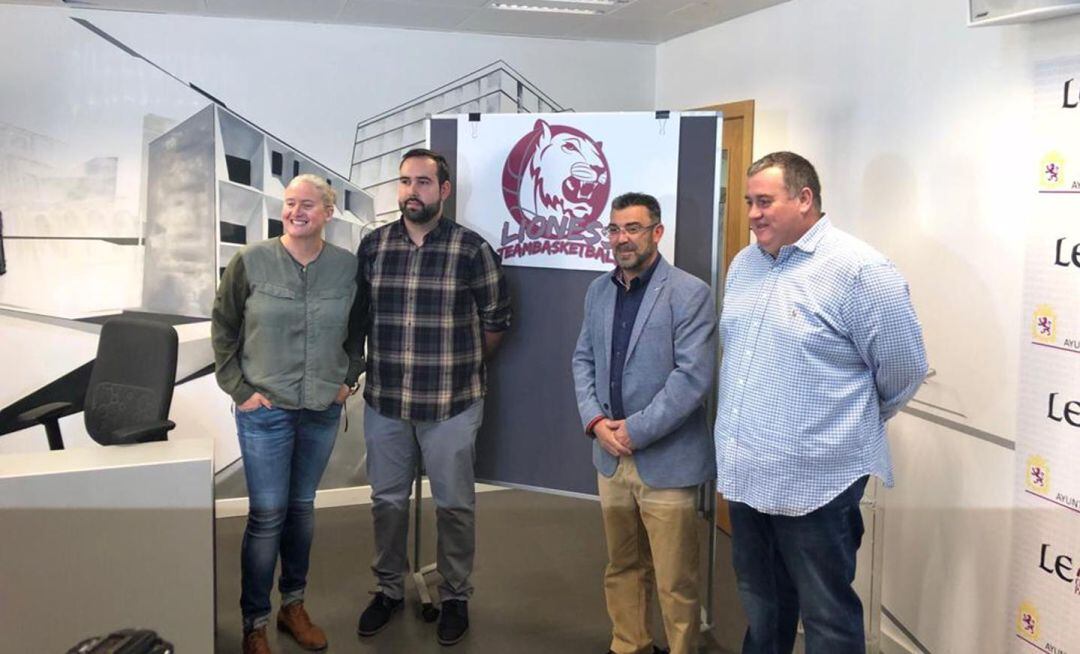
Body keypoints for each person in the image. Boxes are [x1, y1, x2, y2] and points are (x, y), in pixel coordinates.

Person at [715, 152, 927, 653]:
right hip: (747, 476)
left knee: (827, 617)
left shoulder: (859, 271)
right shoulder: (744, 266)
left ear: (804, 199)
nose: (752, 214)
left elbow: (904, 371)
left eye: (764, 201)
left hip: (817, 483)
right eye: (749, 202)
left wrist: (839, 425)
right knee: (763, 610)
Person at [353, 148, 511, 646]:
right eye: (404, 182)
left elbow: (496, 321)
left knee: (455, 507)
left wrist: (458, 366)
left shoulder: (471, 250)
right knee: (387, 503)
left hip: (452, 403)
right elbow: (359, 318)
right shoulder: (374, 247)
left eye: (423, 182)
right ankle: (388, 589)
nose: (411, 191)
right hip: (386, 403)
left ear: (443, 190)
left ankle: (456, 596)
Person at [212, 173, 364, 654]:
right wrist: (238, 389)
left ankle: (292, 606)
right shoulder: (251, 261)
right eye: (290, 203)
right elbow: (224, 326)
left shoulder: (346, 268)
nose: (297, 211)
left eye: (308, 204)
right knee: (267, 514)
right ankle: (254, 621)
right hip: (266, 410)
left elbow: (359, 329)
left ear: (328, 212)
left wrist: (349, 378)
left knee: (301, 511)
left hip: (320, 407)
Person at [572, 192, 717, 654]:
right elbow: (582, 359)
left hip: (666, 460)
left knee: (676, 579)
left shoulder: (690, 293)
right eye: (614, 230)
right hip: (610, 457)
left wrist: (633, 431)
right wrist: (596, 421)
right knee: (622, 567)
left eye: (633, 229)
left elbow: (692, 380)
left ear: (657, 232)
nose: (622, 239)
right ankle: (629, 643)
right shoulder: (598, 291)